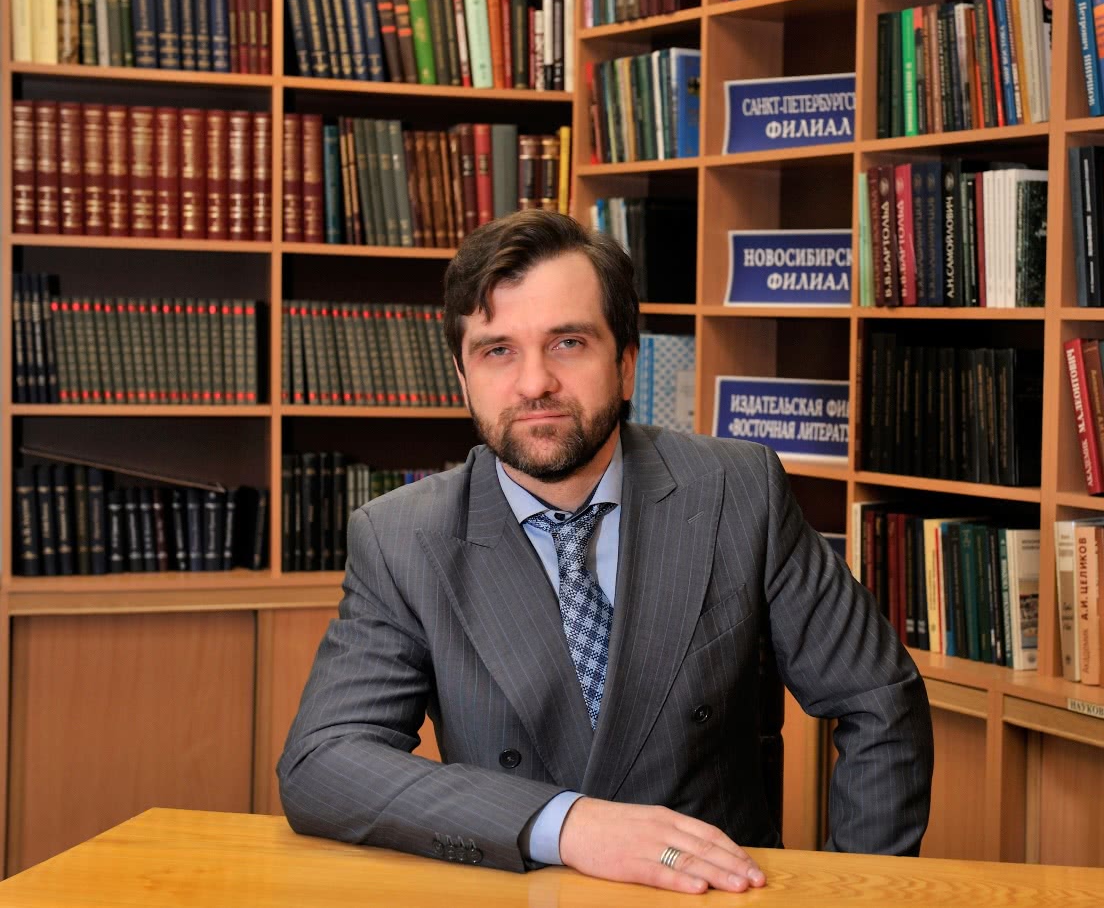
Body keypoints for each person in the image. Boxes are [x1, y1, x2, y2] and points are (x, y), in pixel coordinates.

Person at [277, 210, 934, 895]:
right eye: (497, 350)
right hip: (516, 891)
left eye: (567, 343)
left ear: (625, 363)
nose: (534, 383)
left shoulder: (740, 489)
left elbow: (880, 702)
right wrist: (566, 823)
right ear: (462, 377)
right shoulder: (400, 536)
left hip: (716, 893)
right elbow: (323, 761)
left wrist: (853, 894)